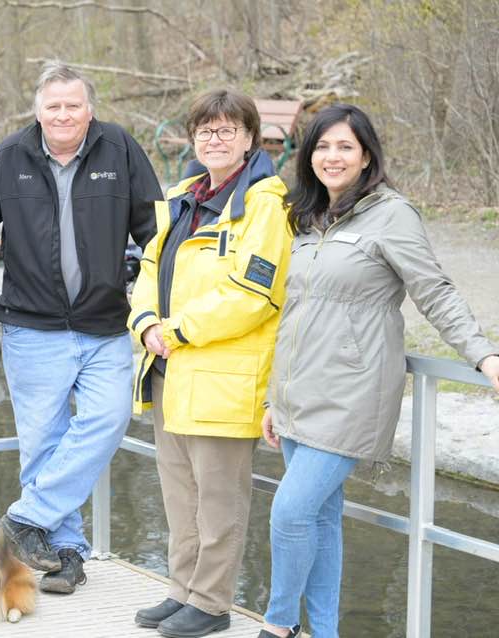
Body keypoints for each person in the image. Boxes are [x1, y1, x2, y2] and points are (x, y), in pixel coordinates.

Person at [257, 103, 499, 638]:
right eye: (322, 146)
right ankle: (324, 631)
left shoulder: (392, 214)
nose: (332, 156)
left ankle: (278, 624)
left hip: (351, 395)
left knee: (289, 513)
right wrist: (274, 395)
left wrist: (484, 355)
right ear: (308, 155)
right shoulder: (309, 217)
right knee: (321, 518)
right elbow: (295, 314)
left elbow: (434, 290)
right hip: (298, 394)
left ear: (367, 156)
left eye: (345, 146)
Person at [0, 61, 161, 595]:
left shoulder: (119, 149)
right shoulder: (10, 155)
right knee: (43, 445)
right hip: (33, 327)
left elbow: (155, 231)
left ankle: (22, 519)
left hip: (105, 324)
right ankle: (65, 555)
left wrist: (166, 294)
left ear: (89, 109)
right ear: (38, 111)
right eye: (54, 106)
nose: (64, 115)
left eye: (73, 105)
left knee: (109, 419)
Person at [127, 89, 292, 638]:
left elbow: (254, 294)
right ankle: (182, 590)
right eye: (204, 130)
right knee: (180, 495)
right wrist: (145, 322)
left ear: (249, 139)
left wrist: (175, 330)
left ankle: (212, 601)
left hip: (222, 377)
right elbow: (148, 267)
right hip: (168, 370)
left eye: (226, 130)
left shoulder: (266, 205)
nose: (214, 139)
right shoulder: (183, 197)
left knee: (219, 501)